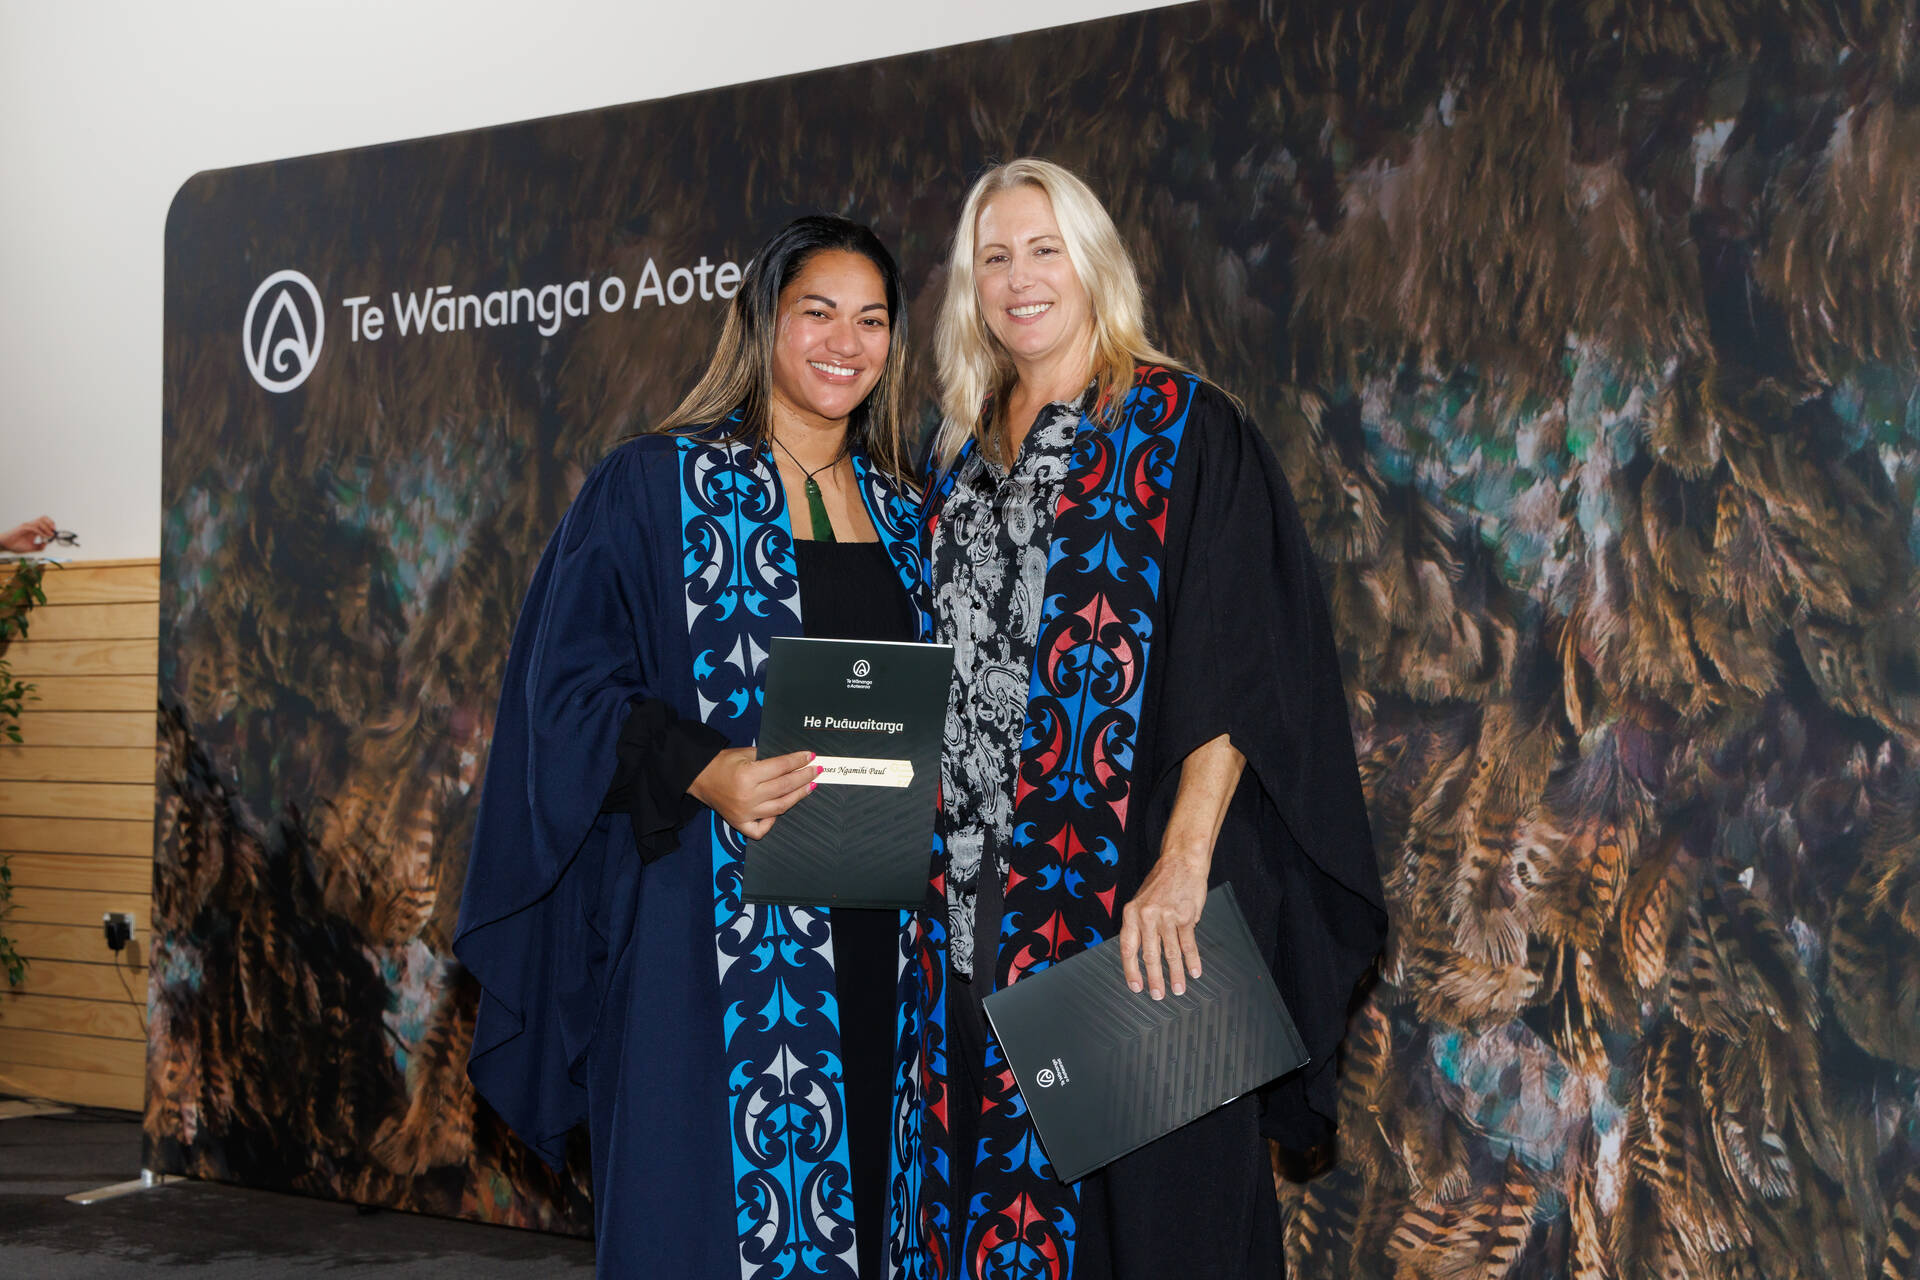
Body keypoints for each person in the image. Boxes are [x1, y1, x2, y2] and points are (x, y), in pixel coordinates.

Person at [888, 159, 1389, 1279]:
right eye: (995, 257)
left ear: (1093, 262)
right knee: (972, 1178)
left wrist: (1183, 862)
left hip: (1121, 894)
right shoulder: (952, 452)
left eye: (1044, 249)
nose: (1020, 278)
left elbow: (1238, 662)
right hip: (963, 900)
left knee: (1154, 1215)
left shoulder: (1182, 427)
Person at [454, 215, 926, 1280]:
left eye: (872, 320)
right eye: (817, 312)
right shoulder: (656, 486)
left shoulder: (910, 514)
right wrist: (705, 769)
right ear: (763, 321)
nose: (846, 342)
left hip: (884, 931)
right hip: (709, 930)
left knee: (878, 1200)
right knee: (703, 1216)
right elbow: (564, 691)